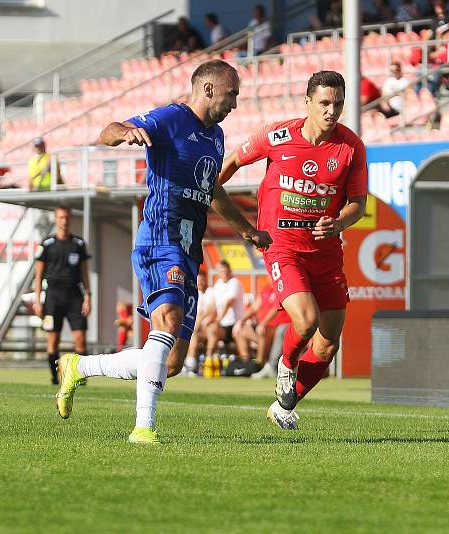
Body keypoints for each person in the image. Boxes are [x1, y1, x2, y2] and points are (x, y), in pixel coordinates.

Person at [54, 60, 272, 444]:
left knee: (170, 362)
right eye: (232, 93)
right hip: (159, 237)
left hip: (189, 249)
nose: (235, 102)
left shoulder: (216, 136)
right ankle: (143, 428)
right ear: (208, 89)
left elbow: (213, 190)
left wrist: (247, 230)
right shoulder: (172, 117)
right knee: (167, 323)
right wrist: (126, 133)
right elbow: (106, 132)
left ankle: (79, 365)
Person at [219, 70, 368, 430]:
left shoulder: (350, 147)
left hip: (326, 251)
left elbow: (358, 204)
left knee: (329, 343)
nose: (331, 111)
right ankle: (286, 364)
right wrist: (204, 190)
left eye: (338, 104)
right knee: (306, 320)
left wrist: (339, 223)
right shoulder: (278, 135)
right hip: (282, 245)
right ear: (307, 103)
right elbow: (235, 160)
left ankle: (283, 406)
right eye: (324, 103)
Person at [33, 206, 91, 384]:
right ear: (55, 220)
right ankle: (54, 378)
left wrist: (88, 296)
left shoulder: (78, 244)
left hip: (74, 295)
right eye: (60, 218)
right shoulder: (47, 244)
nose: (63, 221)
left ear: (70, 219)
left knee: (80, 339)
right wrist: (38, 300)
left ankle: (80, 378)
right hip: (53, 296)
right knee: (53, 339)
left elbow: (84, 273)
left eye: (66, 217)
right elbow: (38, 275)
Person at [206, 260, 244, 359]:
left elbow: (229, 303)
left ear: (229, 271)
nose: (223, 273)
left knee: (215, 329)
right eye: (221, 271)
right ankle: (206, 360)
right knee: (208, 329)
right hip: (223, 325)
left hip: (235, 323)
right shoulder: (218, 284)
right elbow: (213, 306)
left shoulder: (234, 282)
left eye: (225, 271)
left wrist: (217, 321)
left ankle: (247, 362)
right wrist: (206, 320)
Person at [188, 271, 215, 362]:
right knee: (192, 333)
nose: (200, 282)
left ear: (206, 280)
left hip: (208, 325)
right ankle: (190, 361)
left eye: (202, 280)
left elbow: (211, 310)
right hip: (197, 327)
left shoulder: (210, 291)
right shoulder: (193, 293)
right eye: (198, 280)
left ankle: (206, 361)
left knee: (195, 331)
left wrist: (199, 320)